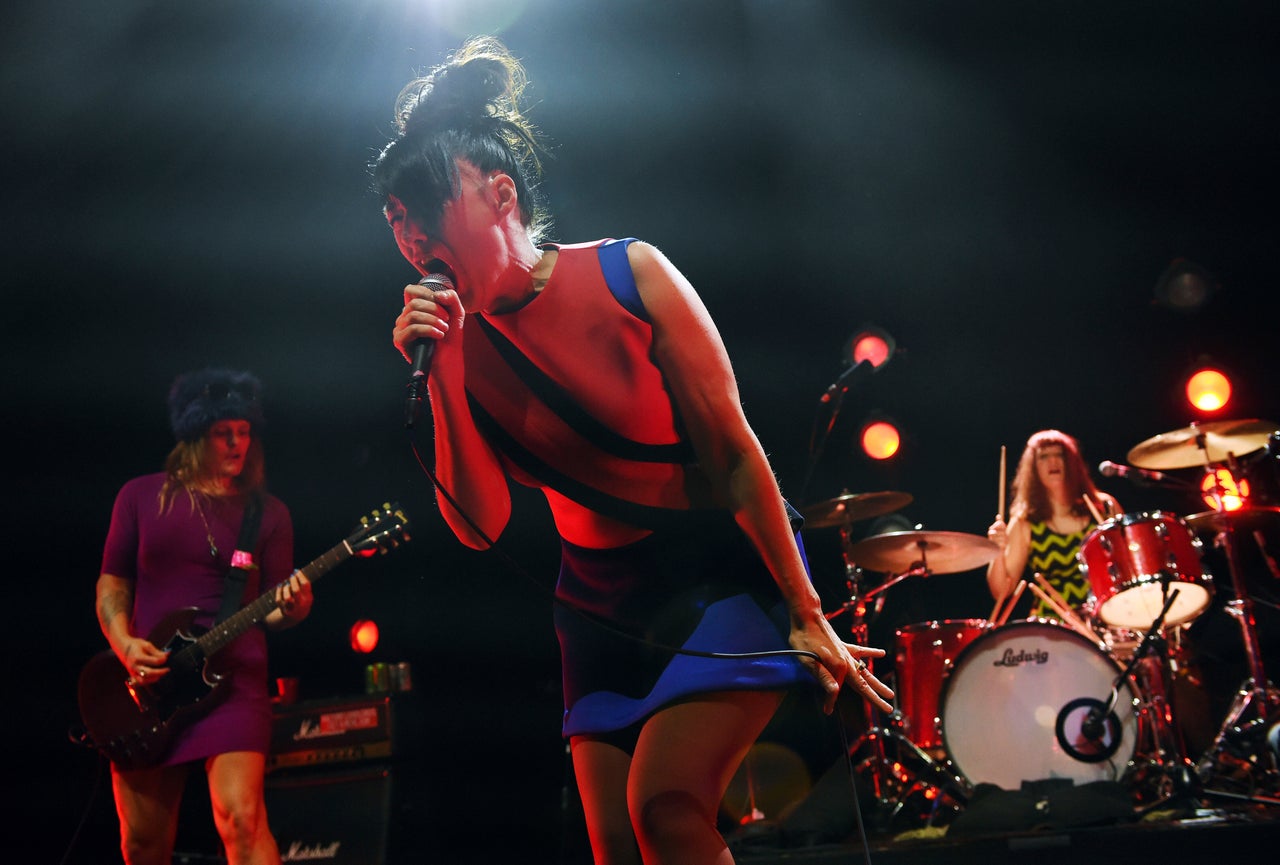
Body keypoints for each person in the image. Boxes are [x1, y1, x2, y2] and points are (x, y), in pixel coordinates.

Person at [372, 37, 893, 865]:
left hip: (714, 573)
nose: (409, 233)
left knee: (668, 811)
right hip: (596, 606)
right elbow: (479, 527)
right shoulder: (456, 349)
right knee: (619, 849)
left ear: (499, 193)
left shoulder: (632, 275)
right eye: (396, 217)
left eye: (426, 204)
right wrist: (441, 377)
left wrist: (807, 609)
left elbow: (733, 452)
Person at [94, 368, 313, 865]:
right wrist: (126, 644)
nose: (237, 443)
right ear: (196, 437)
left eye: (245, 431)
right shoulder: (139, 497)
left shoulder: (268, 513)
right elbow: (112, 582)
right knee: (141, 843)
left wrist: (295, 606)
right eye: (223, 433)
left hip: (234, 683)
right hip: (151, 685)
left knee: (241, 819)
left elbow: (277, 611)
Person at [986, 429, 1120, 618]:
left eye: (1059, 455)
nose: (1053, 461)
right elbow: (1000, 592)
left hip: (1109, 618)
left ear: (1071, 462)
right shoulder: (1025, 521)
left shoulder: (1104, 507)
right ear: (1033, 468)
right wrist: (996, 551)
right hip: (1053, 628)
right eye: (1044, 457)